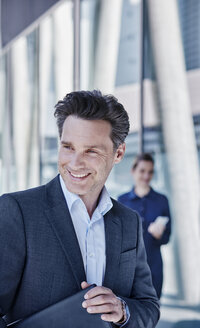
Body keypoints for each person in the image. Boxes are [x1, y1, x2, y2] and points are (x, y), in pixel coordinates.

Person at [0, 91, 159, 328]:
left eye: (91, 151)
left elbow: (148, 306)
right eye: (68, 147)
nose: (75, 163)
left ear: (119, 153)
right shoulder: (19, 212)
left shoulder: (129, 222)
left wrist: (122, 310)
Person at [118, 153, 171, 299]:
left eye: (150, 172)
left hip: (153, 266)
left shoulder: (161, 201)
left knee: (152, 308)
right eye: (142, 171)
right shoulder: (122, 201)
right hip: (129, 267)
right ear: (133, 171)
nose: (146, 176)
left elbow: (167, 238)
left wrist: (159, 235)